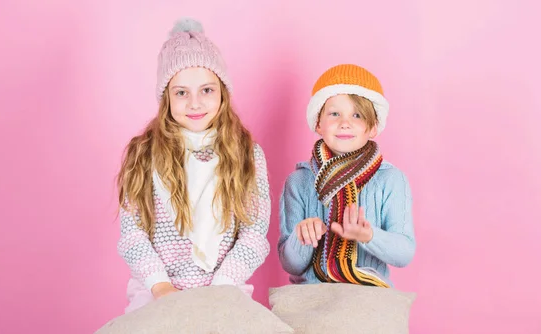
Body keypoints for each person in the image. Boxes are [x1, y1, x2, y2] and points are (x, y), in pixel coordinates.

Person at [116, 18, 271, 313]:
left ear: (223, 92)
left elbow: (254, 232)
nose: (195, 103)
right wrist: (161, 286)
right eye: (182, 92)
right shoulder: (144, 154)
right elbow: (132, 233)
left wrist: (221, 287)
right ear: (166, 98)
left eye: (207, 90)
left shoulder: (248, 154)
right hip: (158, 289)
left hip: (226, 286)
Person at [278, 64, 415, 288]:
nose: (345, 123)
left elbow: (404, 253)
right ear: (318, 123)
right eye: (334, 114)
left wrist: (369, 236)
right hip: (311, 300)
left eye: (357, 115)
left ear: (372, 128)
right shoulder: (299, 181)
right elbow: (289, 264)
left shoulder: (391, 180)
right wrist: (302, 238)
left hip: (368, 299)